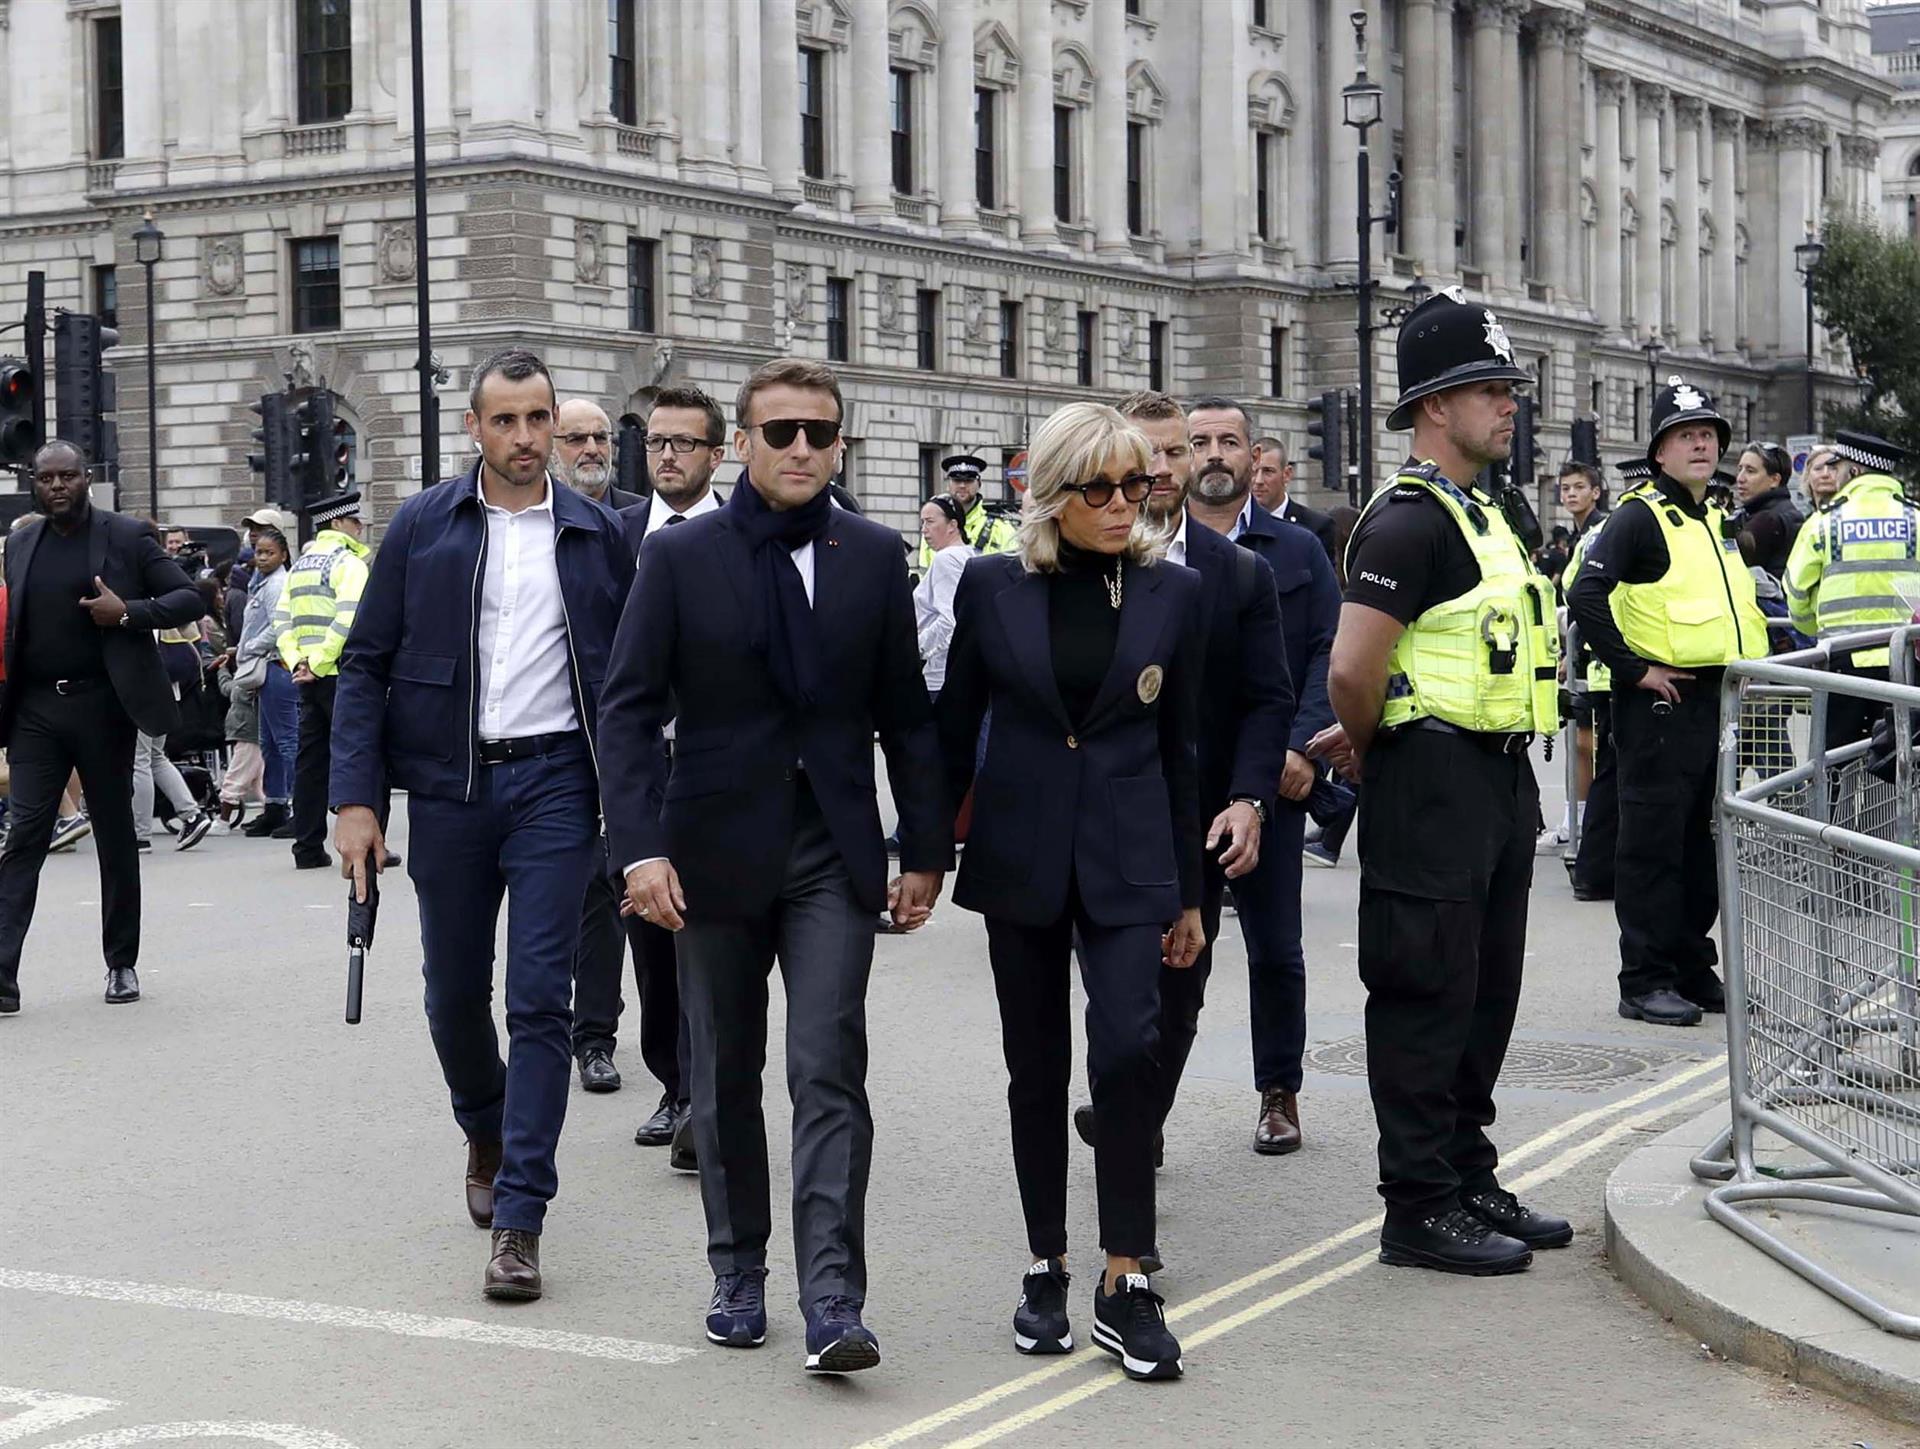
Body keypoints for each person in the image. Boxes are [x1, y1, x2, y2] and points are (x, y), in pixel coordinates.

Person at [598, 358, 948, 1374]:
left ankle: (835, 1296)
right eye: (782, 431)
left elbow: (906, 716)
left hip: (830, 852)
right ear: (741, 444)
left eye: (820, 433)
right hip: (709, 851)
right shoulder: (681, 559)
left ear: (841, 444)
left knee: (829, 1065)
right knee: (726, 1071)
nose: (802, 448)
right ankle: (738, 1271)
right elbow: (626, 711)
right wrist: (640, 849)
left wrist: (925, 847)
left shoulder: (875, 555)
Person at [331, 347, 634, 1302]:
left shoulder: (596, 532)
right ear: (475, 429)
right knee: (451, 994)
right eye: (504, 420)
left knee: (541, 999)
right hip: (451, 791)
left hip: (555, 784)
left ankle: (520, 1214)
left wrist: (642, 812)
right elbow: (365, 664)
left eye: (538, 419)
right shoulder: (426, 525)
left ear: (558, 423)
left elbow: (631, 686)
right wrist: (355, 799)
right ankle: (487, 1124)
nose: (525, 437)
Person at [937, 400, 1204, 1381]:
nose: (1121, 504)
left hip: (1134, 858)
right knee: (1035, 1062)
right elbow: (952, 723)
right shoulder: (992, 588)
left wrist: (1189, 893)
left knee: (1129, 1047)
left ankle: (1123, 1276)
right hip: (1021, 850)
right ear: (1052, 493)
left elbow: (1186, 751)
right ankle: (1045, 1259)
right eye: (1100, 487)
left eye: (1136, 485)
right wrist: (925, 849)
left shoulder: (1171, 596)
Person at [1307, 287, 1571, 1275]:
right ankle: (1416, 1203)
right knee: (1423, 992)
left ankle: (1466, 1171)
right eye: (1486, 388)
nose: (1508, 403)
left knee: (1483, 991)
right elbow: (1350, 669)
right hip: (1430, 778)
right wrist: (1377, 746)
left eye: (1508, 386)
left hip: (1500, 780)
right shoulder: (1408, 525)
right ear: (1432, 407)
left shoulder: (1493, 513)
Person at [1165, 392, 1338, 1154]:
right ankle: (1147, 1111)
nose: (1212, 454)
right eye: (1197, 441)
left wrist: (1297, 751)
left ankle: (1279, 1093)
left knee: (1275, 949)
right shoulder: (1149, 547)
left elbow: (1324, 653)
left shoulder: (1297, 550)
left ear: (1253, 458)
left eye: (1227, 441)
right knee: (1172, 954)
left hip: (1267, 783)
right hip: (1175, 787)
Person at [1568, 379, 1767, 1028]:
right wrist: (1633, 669)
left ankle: (1688, 965)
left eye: (1708, 433)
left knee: (1697, 846)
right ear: (1659, 452)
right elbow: (1587, 595)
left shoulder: (1715, 515)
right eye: (1687, 434)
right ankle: (1644, 978)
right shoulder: (1638, 515)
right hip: (1661, 704)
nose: (1702, 442)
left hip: (1715, 700)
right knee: (1652, 848)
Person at [570, 386, 726, 1143]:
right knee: (651, 936)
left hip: (721, 767)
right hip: (637, 767)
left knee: (715, 935)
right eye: (656, 443)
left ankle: (707, 1095)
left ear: (715, 455)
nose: (666, 455)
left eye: (683, 444)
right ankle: (673, 1080)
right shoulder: (612, 533)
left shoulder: (739, 532)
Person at [0, 440, 203, 1013]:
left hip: (105, 707)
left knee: (115, 840)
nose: (57, 486)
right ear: (34, 485)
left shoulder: (126, 535)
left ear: (86, 479)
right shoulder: (20, 543)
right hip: (37, 710)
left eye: (68, 476)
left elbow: (189, 597)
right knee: (25, 836)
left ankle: (121, 963)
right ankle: (2, 972)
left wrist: (130, 613)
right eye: (46, 478)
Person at [1783, 430, 1918, 749]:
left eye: (1838, 466)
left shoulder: (1824, 522)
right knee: (1900, 764)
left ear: (1855, 470)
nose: (1834, 473)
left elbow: (1796, 593)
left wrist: (1813, 626)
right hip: (1905, 661)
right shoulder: (1915, 517)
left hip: (1842, 662)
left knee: (1831, 765)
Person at [1562, 459, 1648, 902]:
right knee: (1613, 771)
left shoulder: (1600, 531)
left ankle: (1598, 867)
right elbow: (1582, 594)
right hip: (1619, 669)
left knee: (1608, 769)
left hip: (1606, 667)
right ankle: (1598, 869)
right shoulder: (1620, 529)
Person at [275, 490, 369, 870]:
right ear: (337, 524)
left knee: (310, 762)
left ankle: (307, 845)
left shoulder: (299, 567)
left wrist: (299, 661)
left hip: (307, 678)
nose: (360, 527)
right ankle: (367, 841)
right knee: (362, 755)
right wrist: (319, 661)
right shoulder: (349, 564)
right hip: (341, 674)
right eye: (354, 521)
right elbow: (349, 619)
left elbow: (282, 621)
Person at [1538, 463, 1608, 856]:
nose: (1570, 494)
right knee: (1583, 742)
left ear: (1597, 491)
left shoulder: (1598, 532)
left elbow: (1586, 595)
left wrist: (1572, 649)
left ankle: (1580, 823)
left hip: (1594, 657)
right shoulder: (1582, 534)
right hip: (1583, 652)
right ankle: (1575, 820)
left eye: (1579, 487)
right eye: (1565, 488)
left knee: (1588, 742)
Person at [235, 528, 298, 838]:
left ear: (283, 555)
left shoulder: (277, 585)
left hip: (278, 666)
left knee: (287, 742)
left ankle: (300, 808)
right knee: (270, 744)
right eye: (258, 552)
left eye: (268, 552)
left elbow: (278, 628)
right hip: (267, 667)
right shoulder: (259, 583)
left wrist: (249, 648)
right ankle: (275, 806)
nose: (261, 558)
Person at [913, 494, 971, 697]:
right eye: (922, 522)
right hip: (963, 671)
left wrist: (915, 649)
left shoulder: (946, 558)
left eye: (930, 522)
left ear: (952, 525)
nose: (924, 530)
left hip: (940, 675)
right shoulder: (970, 554)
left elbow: (950, 620)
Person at [916, 452, 1016, 566]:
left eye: (969, 480)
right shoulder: (934, 527)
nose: (962, 485)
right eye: (957, 480)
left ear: (979, 484)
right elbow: (924, 574)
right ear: (948, 484)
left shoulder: (1001, 529)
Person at [1251, 435, 1339, 564]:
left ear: (1286, 474)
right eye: (1253, 471)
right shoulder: (1233, 523)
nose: (1258, 481)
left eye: (1268, 471)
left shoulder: (1316, 527)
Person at [553, 398, 645, 510]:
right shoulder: (534, 517)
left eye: (600, 438)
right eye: (577, 439)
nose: (592, 450)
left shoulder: (646, 516)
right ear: (552, 450)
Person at [1731, 443, 1802, 581]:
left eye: (1750, 471)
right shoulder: (1787, 511)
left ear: (1774, 480)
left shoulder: (1767, 520)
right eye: (1740, 469)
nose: (1740, 478)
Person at [1806, 445, 1843, 510]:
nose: (1825, 474)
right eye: (1818, 468)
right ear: (1807, 476)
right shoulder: (1804, 518)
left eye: (1833, 468)